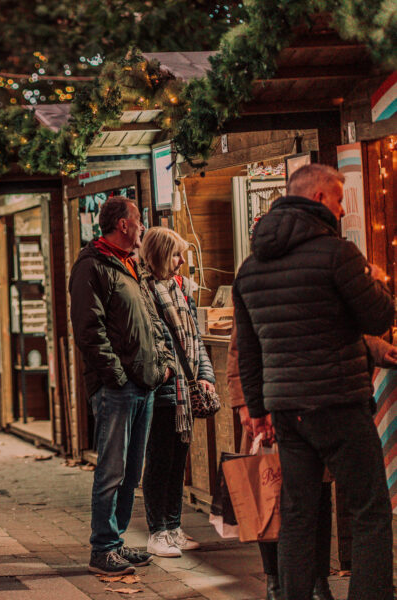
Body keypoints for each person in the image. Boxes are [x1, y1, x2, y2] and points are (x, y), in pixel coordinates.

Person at [234, 164, 395, 600]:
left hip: (288, 411)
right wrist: (377, 282)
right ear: (320, 198)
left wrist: (259, 410)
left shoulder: (249, 269)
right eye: (340, 200)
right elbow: (379, 316)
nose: (343, 210)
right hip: (340, 401)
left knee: (299, 514)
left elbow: (248, 351)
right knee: (369, 509)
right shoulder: (337, 254)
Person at [69, 197, 174, 576]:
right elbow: (88, 330)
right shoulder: (92, 266)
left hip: (142, 384)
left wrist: (160, 365)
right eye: (138, 219)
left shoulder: (130, 264)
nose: (143, 225)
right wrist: (116, 375)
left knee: (131, 472)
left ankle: (117, 541)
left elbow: (149, 318)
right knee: (111, 472)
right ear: (123, 225)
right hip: (117, 387)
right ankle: (103, 548)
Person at [228, 322, 334, 600]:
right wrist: (242, 405)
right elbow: (238, 350)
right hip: (264, 405)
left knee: (319, 496)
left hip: (311, 401)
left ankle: (318, 582)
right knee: (267, 496)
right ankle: (274, 582)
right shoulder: (253, 280)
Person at [138, 227, 215, 558]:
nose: (181, 261)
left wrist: (206, 375)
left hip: (186, 387)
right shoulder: (146, 291)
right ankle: (157, 532)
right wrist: (166, 371)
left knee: (177, 460)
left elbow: (194, 337)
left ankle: (173, 527)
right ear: (158, 255)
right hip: (164, 388)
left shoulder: (179, 289)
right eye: (175, 254)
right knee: (160, 460)